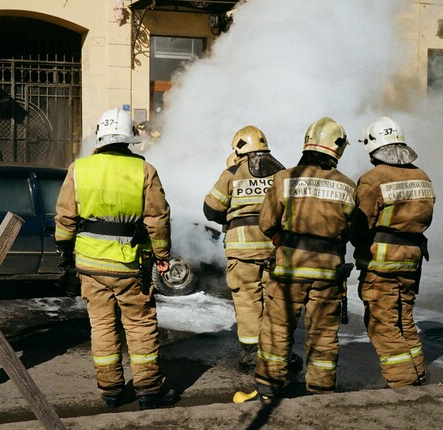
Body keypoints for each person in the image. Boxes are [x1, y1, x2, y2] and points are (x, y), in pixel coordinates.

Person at [54, 107, 177, 410]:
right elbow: (158, 219)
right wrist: (162, 255)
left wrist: (65, 250)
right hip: (130, 265)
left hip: (90, 263)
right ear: (130, 139)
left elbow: (65, 217)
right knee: (139, 325)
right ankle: (149, 390)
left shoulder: (78, 168)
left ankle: (110, 390)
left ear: (100, 137)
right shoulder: (144, 170)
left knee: (102, 326)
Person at [237, 117, 356, 402]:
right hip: (329, 272)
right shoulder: (347, 186)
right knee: (323, 335)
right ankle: (320, 393)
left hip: (288, 269)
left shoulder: (284, 178)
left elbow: (267, 222)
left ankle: (268, 390)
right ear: (336, 149)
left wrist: (281, 237)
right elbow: (351, 229)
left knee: (277, 329)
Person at [352, 116, 435, 388]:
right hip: (412, 261)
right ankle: (418, 374)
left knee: (383, 325)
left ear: (372, 146)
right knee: (404, 319)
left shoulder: (373, 179)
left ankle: (404, 385)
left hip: (381, 263)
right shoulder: (422, 175)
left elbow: (360, 224)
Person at [203, 125, 292, 371]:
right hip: (275, 247)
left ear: (239, 148)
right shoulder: (283, 173)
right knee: (275, 299)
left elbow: (210, 209)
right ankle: (280, 350)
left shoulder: (232, 173)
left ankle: (253, 352)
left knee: (247, 300)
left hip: (242, 250)